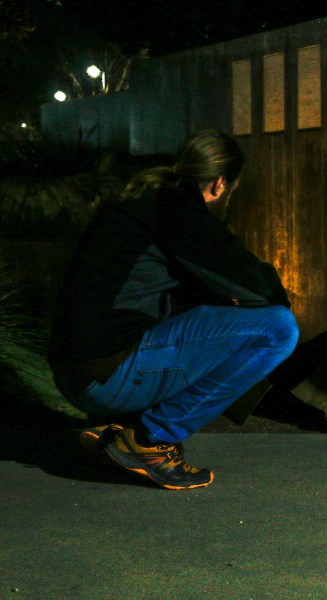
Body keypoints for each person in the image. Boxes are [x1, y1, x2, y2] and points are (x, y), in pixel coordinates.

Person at [48, 129, 299, 490]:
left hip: (78, 372)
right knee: (278, 329)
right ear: (219, 184)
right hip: (104, 378)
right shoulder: (181, 211)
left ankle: (123, 426)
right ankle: (149, 441)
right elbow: (258, 289)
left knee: (206, 312)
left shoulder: (144, 204)